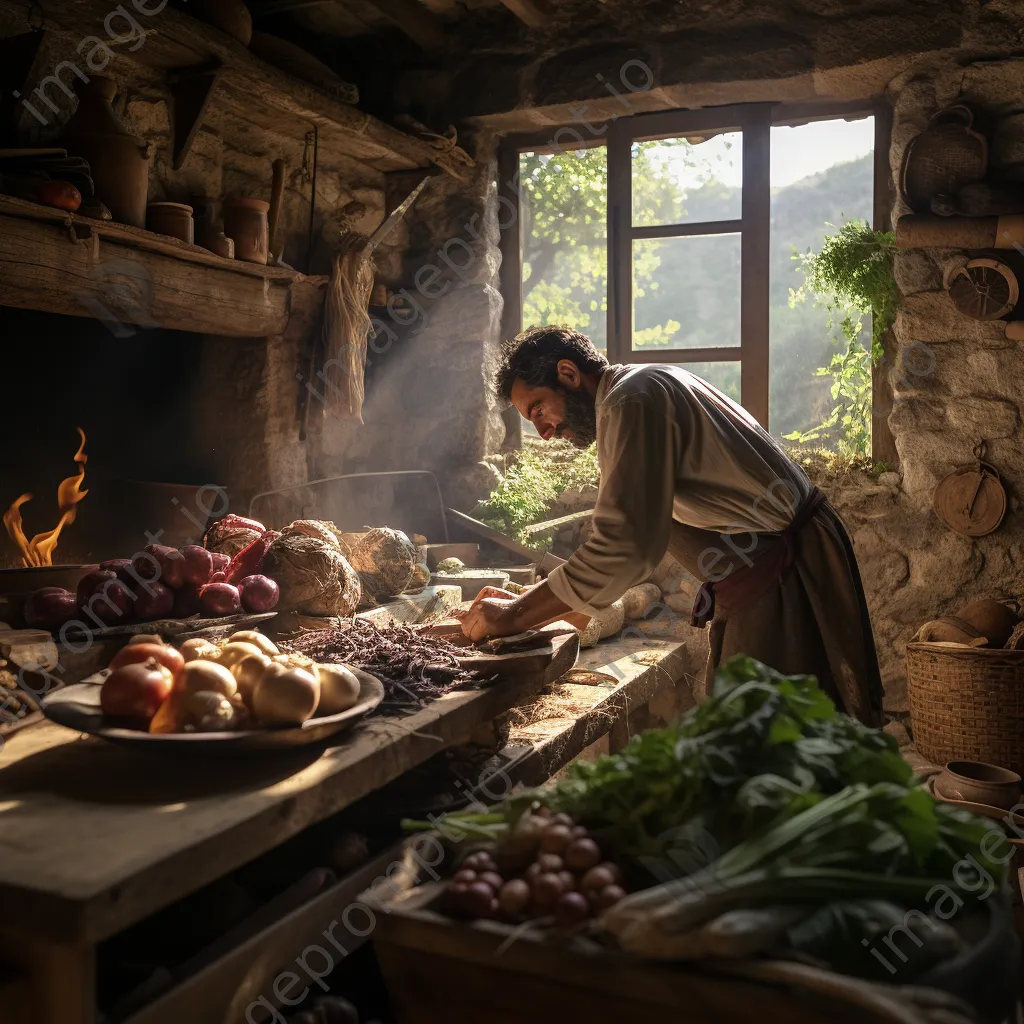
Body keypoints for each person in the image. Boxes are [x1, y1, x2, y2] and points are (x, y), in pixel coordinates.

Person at [460, 325, 883, 725]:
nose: (544, 432)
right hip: (770, 573)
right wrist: (539, 607)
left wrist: (515, 615)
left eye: (537, 409)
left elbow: (625, 545)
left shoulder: (632, 400)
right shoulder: (638, 389)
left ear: (568, 374)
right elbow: (628, 527)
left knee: (774, 748)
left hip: (784, 579)